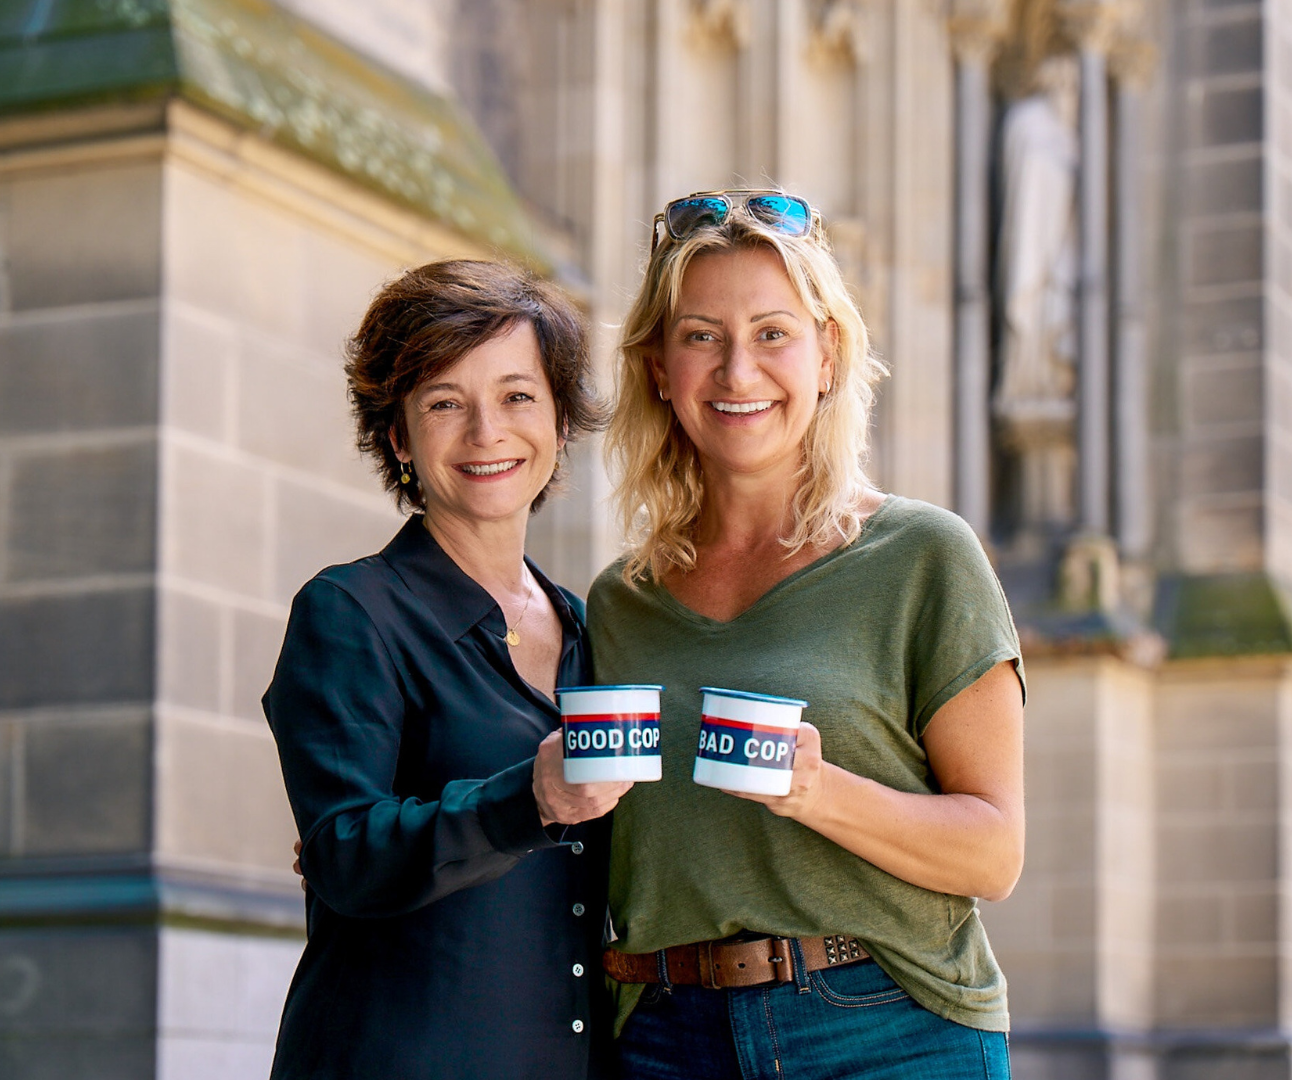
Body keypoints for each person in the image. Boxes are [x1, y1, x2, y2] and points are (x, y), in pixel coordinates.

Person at [587, 190, 1027, 1079]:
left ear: (827, 355)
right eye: (702, 335)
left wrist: (820, 792)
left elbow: (994, 854)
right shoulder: (620, 602)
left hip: (886, 1030)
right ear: (659, 367)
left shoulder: (922, 556)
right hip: (666, 1038)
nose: (737, 371)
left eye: (772, 334)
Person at [263, 260, 626, 1080]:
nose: (486, 432)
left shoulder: (592, 632)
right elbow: (343, 852)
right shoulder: (350, 612)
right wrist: (529, 799)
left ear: (560, 421)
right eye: (444, 403)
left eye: (517, 396)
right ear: (399, 437)